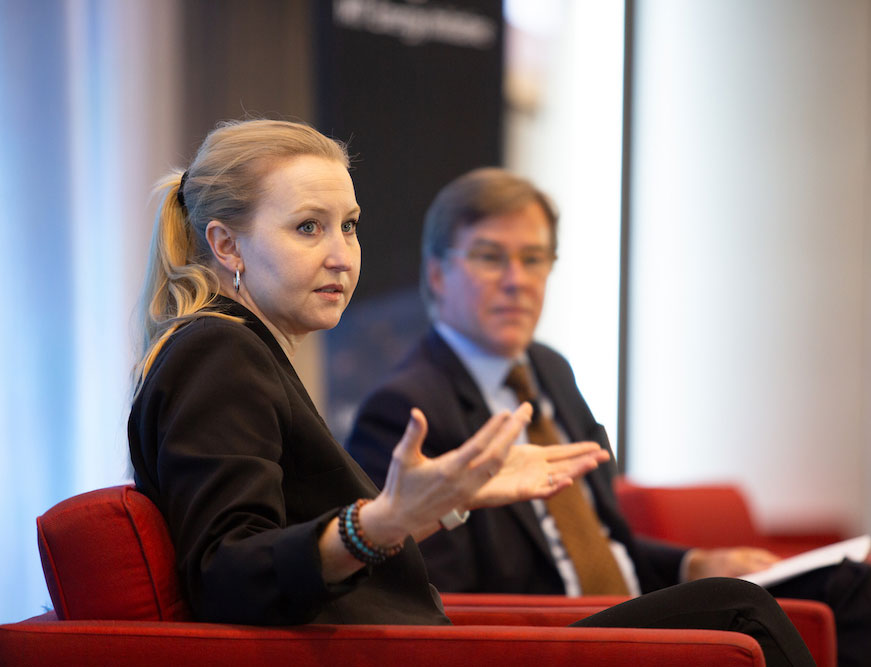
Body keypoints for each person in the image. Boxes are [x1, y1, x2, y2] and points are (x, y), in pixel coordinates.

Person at [127, 119, 814, 665]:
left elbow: (305, 543)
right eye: (309, 226)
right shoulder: (216, 351)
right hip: (410, 653)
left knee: (740, 604)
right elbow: (231, 574)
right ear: (227, 244)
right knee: (735, 610)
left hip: (419, 642)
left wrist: (451, 499)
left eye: (350, 224)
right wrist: (383, 519)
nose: (342, 253)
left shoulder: (241, 349)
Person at [345, 167, 871, 666]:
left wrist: (690, 561)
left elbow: (609, 541)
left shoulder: (550, 371)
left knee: (852, 585)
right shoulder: (407, 408)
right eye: (490, 257)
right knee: (741, 609)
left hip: (626, 604)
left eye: (533, 258)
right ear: (437, 274)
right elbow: (436, 602)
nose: (516, 281)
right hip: (548, 636)